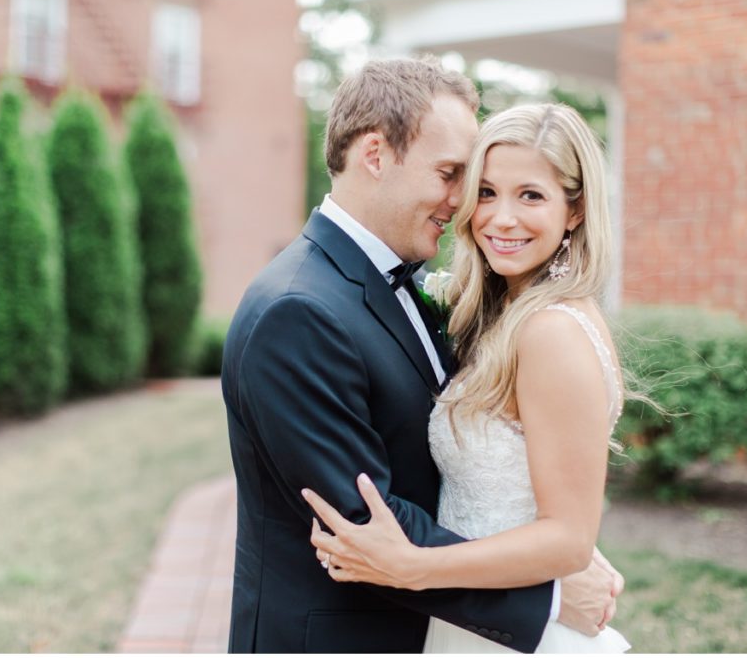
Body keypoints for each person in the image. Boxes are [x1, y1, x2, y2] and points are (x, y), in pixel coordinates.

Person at [221, 59, 621, 653]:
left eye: (523, 193)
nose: (466, 205)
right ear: (376, 156)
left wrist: (550, 543)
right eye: (456, 176)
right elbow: (365, 529)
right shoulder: (298, 310)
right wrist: (554, 597)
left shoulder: (445, 296)